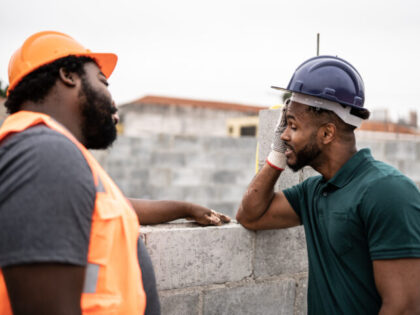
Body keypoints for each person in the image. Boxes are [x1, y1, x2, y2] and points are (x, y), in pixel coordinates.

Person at [0, 31, 230, 315]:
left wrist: (184, 208)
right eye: (102, 82)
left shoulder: (47, 153)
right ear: (68, 75)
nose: (113, 103)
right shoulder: (45, 153)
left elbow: (110, 206)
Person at [236, 55, 420, 314]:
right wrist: (278, 151)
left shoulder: (387, 191)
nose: (284, 134)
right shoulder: (313, 192)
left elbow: (404, 307)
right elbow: (251, 215)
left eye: (292, 125)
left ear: (326, 133)